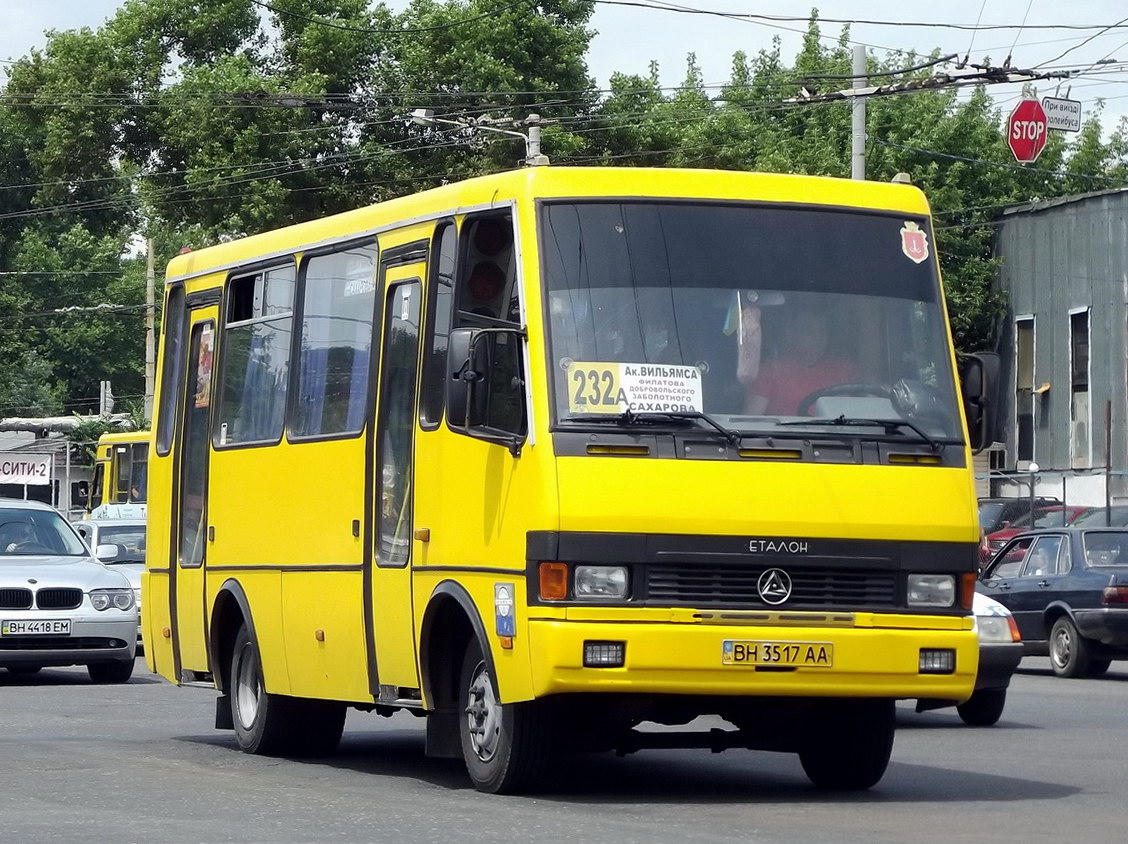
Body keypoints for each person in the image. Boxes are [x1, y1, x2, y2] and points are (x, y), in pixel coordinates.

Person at [738, 300, 863, 416]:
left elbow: (872, 403)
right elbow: (751, 421)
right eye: (808, 330)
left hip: (839, 439)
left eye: (821, 330)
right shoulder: (769, 372)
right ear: (791, 334)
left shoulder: (845, 370)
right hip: (786, 439)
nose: (817, 337)